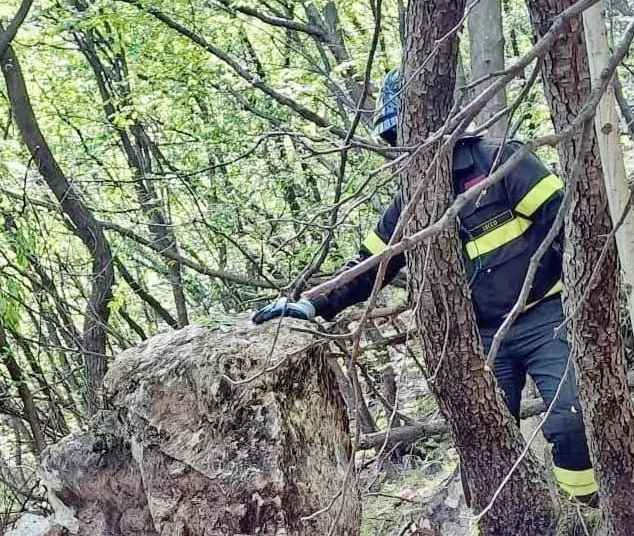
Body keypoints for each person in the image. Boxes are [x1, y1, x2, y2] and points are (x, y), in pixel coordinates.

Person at [252, 69, 597, 503]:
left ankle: (584, 512)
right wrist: (309, 306)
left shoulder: (502, 163)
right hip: (480, 338)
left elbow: (573, 226)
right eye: (395, 135)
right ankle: (499, 534)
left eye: (408, 130)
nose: (403, 144)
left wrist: (591, 302)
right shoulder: (408, 206)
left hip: (546, 317)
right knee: (488, 443)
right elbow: (368, 268)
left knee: (571, 417)